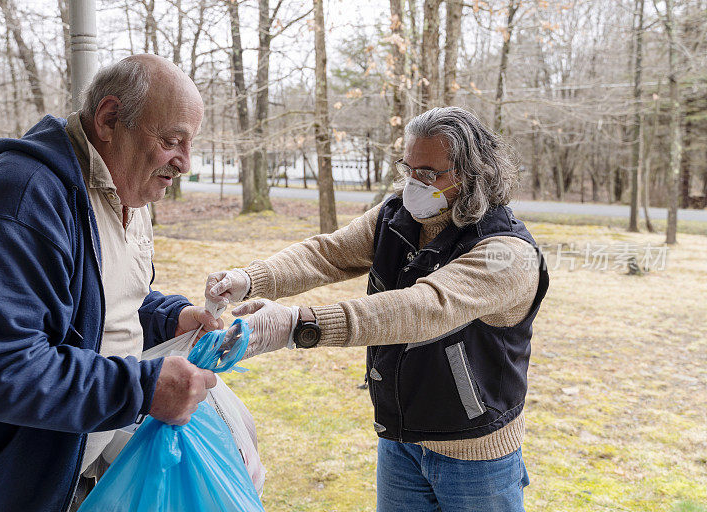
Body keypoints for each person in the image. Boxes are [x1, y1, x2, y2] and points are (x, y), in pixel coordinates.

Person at [0, 55, 220, 512]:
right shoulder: (21, 200)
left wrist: (168, 317)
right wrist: (142, 389)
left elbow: (91, 298)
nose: (185, 163)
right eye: (172, 140)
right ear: (110, 118)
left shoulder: (120, 189)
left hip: (60, 472)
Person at [206, 107, 549, 512]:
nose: (413, 183)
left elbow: (424, 308)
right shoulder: (397, 217)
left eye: (428, 173)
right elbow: (327, 254)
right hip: (400, 438)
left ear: (472, 174)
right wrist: (251, 278)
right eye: (408, 168)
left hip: (476, 454)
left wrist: (298, 325)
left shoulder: (507, 253)